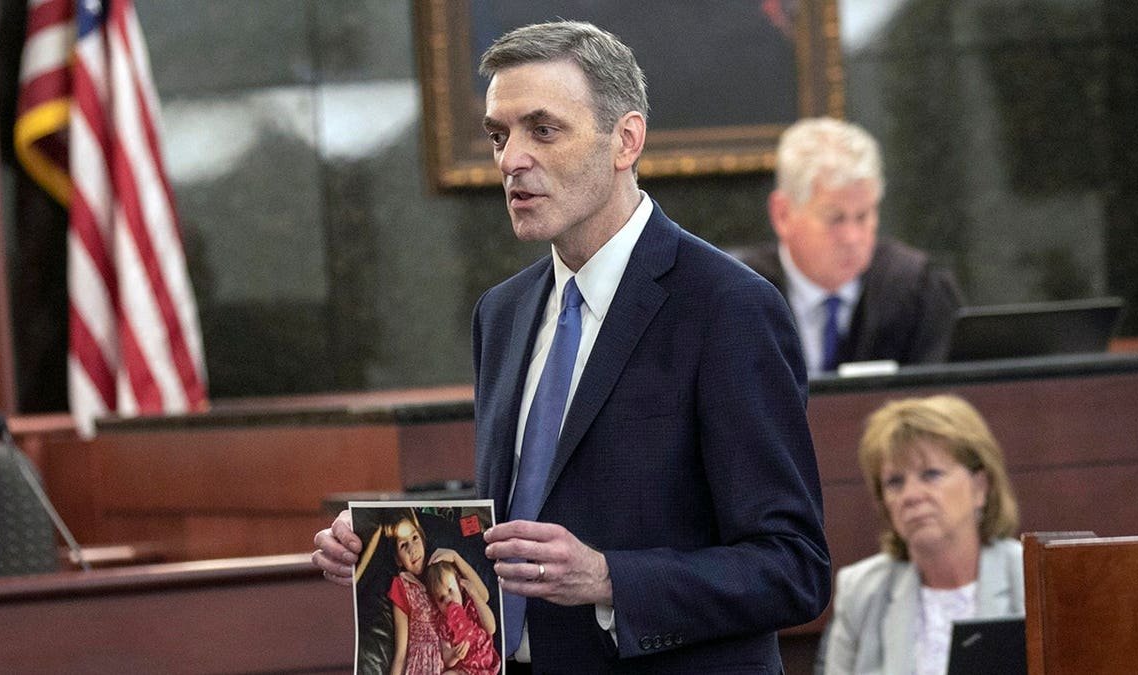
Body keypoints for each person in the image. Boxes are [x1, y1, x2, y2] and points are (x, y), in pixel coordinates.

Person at [315, 20, 830, 673]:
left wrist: (610, 578)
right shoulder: (501, 314)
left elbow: (793, 567)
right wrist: (383, 545)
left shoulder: (727, 307)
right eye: (498, 136)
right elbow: (521, 517)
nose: (511, 160)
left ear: (626, 140)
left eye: (543, 130)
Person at [732, 117, 963, 376]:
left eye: (863, 216)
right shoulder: (737, 296)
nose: (852, 237)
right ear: (783, 214)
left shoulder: (919, 290)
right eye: (835, 219)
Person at [820, 394, 1023, 675]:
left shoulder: (1030, 577)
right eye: (895, 482)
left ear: (980, 487)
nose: (911, 496)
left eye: (931, 475)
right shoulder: (862, 590)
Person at [353, 511, 484, 675]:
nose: (412, 549)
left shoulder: (443, 573)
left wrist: (456, 557)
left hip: (450, 666)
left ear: (423, 539)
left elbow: (483, 596)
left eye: (415, 538)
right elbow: (401, 653)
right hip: (418, 666)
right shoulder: (402, 586)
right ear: (398, 559)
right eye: (403, 545)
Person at [425, 559, 501, 675]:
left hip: (486, 666)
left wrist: (475, 595)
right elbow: (446, 658)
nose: (448, 599)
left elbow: (491, 628)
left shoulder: (472, 604)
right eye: (441, 599)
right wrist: (454, 655)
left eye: (450, 590)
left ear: (460, 586)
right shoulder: (443, 623)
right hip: (463, 670)